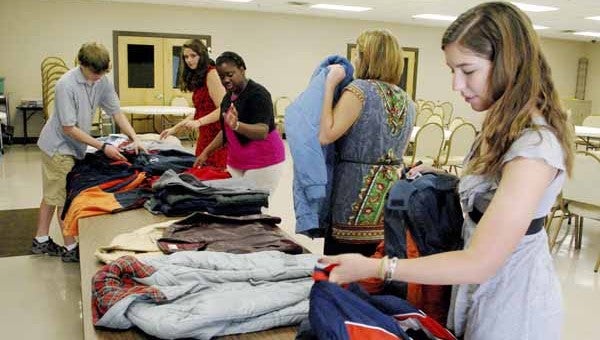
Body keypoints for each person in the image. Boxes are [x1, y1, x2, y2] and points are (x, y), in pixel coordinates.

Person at [320, 2, 574, 339]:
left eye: (467, 71)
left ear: (508, 63)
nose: (457, 84)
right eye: (452, 71)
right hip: (482, 289)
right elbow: (498, 197)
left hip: (513, 303)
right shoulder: (505, 125)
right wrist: (444, 176)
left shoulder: (534, 147)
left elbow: (480, 261)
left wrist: (375, 266)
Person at [33, 42, 145, 262]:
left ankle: (41, 240)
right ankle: (70, 247)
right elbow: (68, 127)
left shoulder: (101, 80)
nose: (98, 77)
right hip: (58, 146)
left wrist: (135, 137)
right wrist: (103, 146)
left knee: (52, 193)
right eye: (94, 73)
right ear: (81, 64)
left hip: (74, 145)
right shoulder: (65, 85)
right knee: (64, 196)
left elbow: (116, 112)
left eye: (102, 73)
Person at [320, 29, 416, 256]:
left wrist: (328, 87)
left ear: (365, 56)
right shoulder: (406, 99)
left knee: (344, 272)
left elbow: (326, 134)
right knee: (377, 266)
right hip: (391, 194)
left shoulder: (358, 91)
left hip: (354, 191)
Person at [194, 51, 285, 194]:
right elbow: (225, 131)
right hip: (237, 163)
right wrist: (206, 152)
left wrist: (237, 125)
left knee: (253, 208)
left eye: (230, 74)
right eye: (221, 76)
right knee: (234, 207)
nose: (226, 80)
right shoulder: (228, 97)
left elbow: (262, 131)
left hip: (263, 162)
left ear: (242, 70)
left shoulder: (258, 94)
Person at [160, 39, 227, 168]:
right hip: (205, 134)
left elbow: (223, 108)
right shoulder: (199, 76)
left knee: (215, 176)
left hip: (217, 135)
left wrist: (199, 122)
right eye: (186, 57)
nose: (189, 60)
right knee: (202, 171)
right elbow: (200, 111)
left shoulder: (211, 73)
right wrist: (175, 128)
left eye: (193, 56)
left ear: (202, 56)